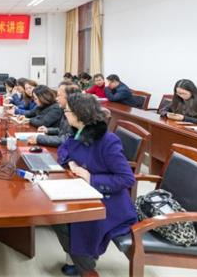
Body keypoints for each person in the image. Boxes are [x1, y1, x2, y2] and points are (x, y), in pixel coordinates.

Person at [55, 93, 137, 276]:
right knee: (56, 216)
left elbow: (127, 178)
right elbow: (63, 150)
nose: (64, 114)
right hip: (85, 191)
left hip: (109, 203)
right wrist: (71, 163)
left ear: (79, 114)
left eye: (67, 111)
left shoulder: (107, 141)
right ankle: (81, 260)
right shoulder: (78, 132)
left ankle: (85, 266)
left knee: (66, 219)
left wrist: (91, 178)